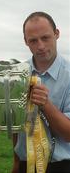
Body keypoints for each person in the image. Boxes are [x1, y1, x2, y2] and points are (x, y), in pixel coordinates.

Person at [12, 11, 70, 173]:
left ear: (56, 33)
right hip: (25, 163)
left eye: (45, 38)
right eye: (33, 40)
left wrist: (46, 105)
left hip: (61, 166)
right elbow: (16, 125)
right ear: (25, 41)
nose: (41, 46)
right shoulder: (17, 74)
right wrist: (16, 161)